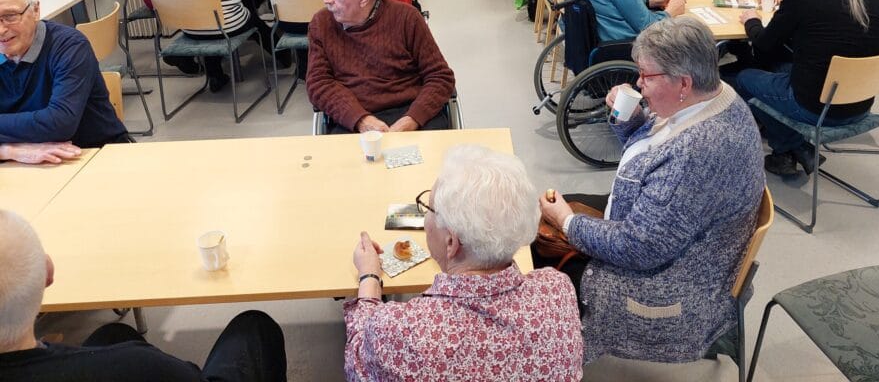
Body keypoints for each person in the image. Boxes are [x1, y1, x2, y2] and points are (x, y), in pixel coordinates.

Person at [538, 16, 764, 364]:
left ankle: (552, 356)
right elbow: (654, 153)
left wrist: (568, 224)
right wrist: (629, 118)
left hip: (671, 287)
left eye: (646, 75)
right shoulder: (714, 97)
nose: (638, 84)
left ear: (683, 82)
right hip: (662, 234)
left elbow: (639, 248)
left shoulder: (699, 150)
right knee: (550, 216)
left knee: (541, 258)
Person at [345, 146, 582, 382]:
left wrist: (369, 278)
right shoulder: (557, 290)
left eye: (428, 209)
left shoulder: (400, 331)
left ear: (451, 242)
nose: (426, 218)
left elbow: (358, 364)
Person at [0, 209, 287, 382]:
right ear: (48, 273)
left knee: (112, 335)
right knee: (254, 327)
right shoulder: (137, 367)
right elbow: (184, 374)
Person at [732, 0, 879, 177]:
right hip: (860, 103)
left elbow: (763, 45)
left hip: (815, 106)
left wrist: (751, 20)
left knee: (745, 76)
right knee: (780, 65)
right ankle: (795, 149)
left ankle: (790, 145)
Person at [306, 0, 456, 133]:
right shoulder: (322, 23)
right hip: (352, 114)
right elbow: (318, 83)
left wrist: (413, 119)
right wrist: (361, 120)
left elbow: (440, 76)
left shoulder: (406, 17)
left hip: (410, 110)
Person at [0, 0, 130, 162]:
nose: (1, 30)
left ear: (35, 10)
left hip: (92, 153)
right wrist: (10, 151)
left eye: (10, 16)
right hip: (22, 160)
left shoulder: (70, 46)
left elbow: (60, 123)